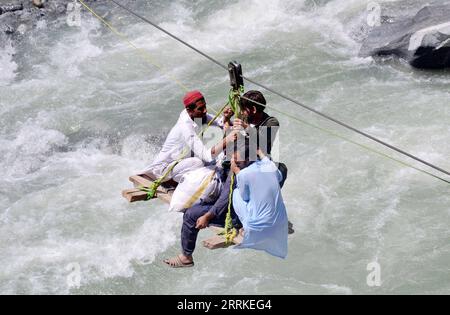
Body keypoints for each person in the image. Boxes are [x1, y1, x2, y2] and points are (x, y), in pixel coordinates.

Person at [144, 90, 236, 183]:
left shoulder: (198, 115)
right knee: (198, 163)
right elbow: (206, 156)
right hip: (164, 170)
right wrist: (227, 140)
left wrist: (226, 118)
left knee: (216, 159)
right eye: (201, 108)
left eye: (205, 106)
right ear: (189, 111)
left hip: (184, 163)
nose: (205, 110)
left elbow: (219, 124)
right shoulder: (185, 127)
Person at [232, 148, 289, 259]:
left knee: (236, 192)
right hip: (280, 225)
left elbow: (245, 197)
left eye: (237, 162)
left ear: (248, 160)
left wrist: (237, 173)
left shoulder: (243, 174)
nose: (235, 163)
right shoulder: (270, 166)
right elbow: (276, 173)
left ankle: (243, 227)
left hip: (255, 229)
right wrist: (260, 152)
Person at [233, 90, 288, 187]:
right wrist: (226, 121)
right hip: (241, 159)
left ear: (253, 109)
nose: (241, 112)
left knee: (282, 169)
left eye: (244, 109)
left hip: (259, 161)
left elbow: (262, 140)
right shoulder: (244, 117)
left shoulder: (272, 122)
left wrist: (246, 128)